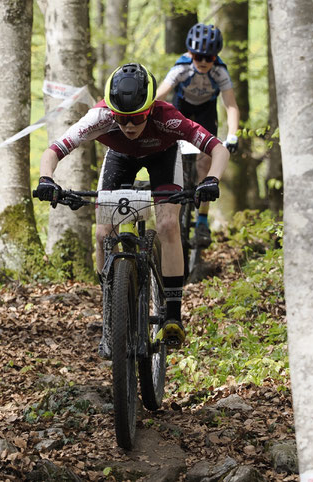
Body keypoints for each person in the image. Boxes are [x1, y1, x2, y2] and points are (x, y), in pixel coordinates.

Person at [35, 63, 230, 357]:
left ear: (150, 109)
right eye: (121, 118)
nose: (128, 125)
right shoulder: (99, 117)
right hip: (120, 158)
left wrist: (212, 179)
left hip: (163, 156)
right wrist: (47, 179)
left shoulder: (168, 118)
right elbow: (53, 151)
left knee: (167, 224)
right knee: (102, 234)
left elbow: (219, 148)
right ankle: (110, 316)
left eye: (136, 118)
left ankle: (173, 316)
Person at [156, 23, 241, 248]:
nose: (203, 62)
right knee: (171, 153)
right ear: (190, 54)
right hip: (181, 107)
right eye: (198, 57)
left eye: (209, 58)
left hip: (205, 112)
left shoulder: (220, 71)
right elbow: (160, 95)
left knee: (206, 163)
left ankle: (202, 221)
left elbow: (231, 105)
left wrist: (232, 135)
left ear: (216, 58)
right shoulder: (182, 68)